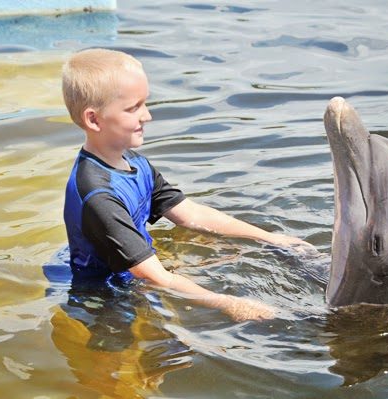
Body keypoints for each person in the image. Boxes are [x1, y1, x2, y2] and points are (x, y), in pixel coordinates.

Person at [62, 48, 313, 322]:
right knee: (167, 355)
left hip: (135, 268)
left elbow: (191, 214)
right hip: (105, 300)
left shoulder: (133, 163)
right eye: (133, 108)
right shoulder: (98, 195)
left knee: (228, 254)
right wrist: (229, 303)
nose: (147, 116)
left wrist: (272, 239)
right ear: (94, 119)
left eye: (145, 103)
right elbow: (153, 277)